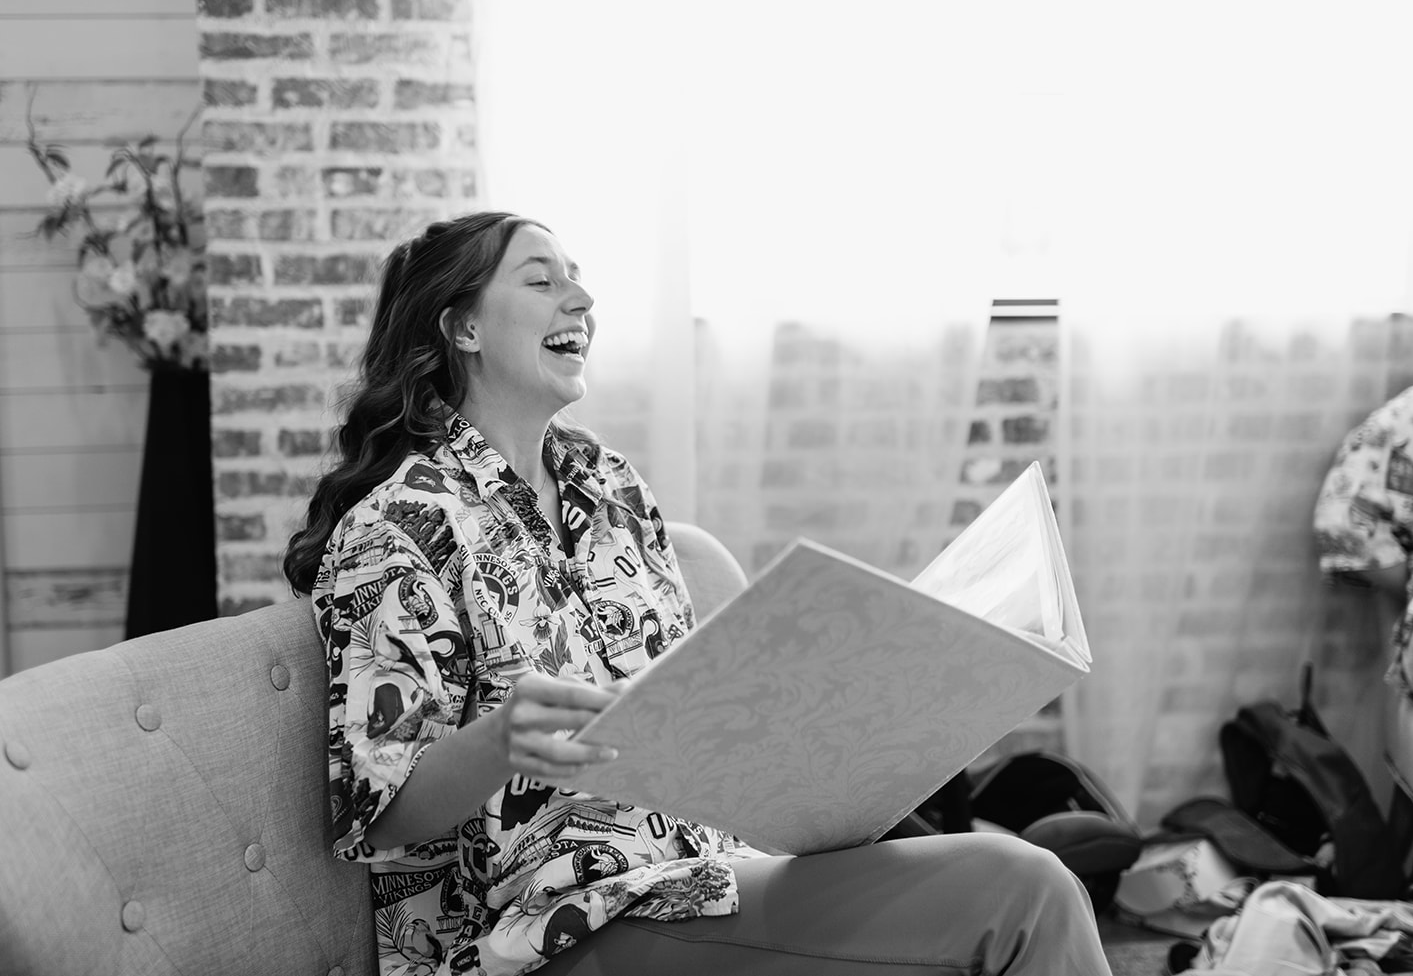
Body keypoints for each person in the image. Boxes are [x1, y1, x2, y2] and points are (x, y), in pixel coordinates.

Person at [285, 211, 1111, 976]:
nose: (582, 296)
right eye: (541, 280)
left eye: (577, 275)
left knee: (1009, 879)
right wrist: (504, 738)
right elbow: (376, 812)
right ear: (462, 326)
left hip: (709, 869)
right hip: (550, 930)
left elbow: (690, 728)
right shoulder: (393, 527)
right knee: (1022, 885)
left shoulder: (608, 486)